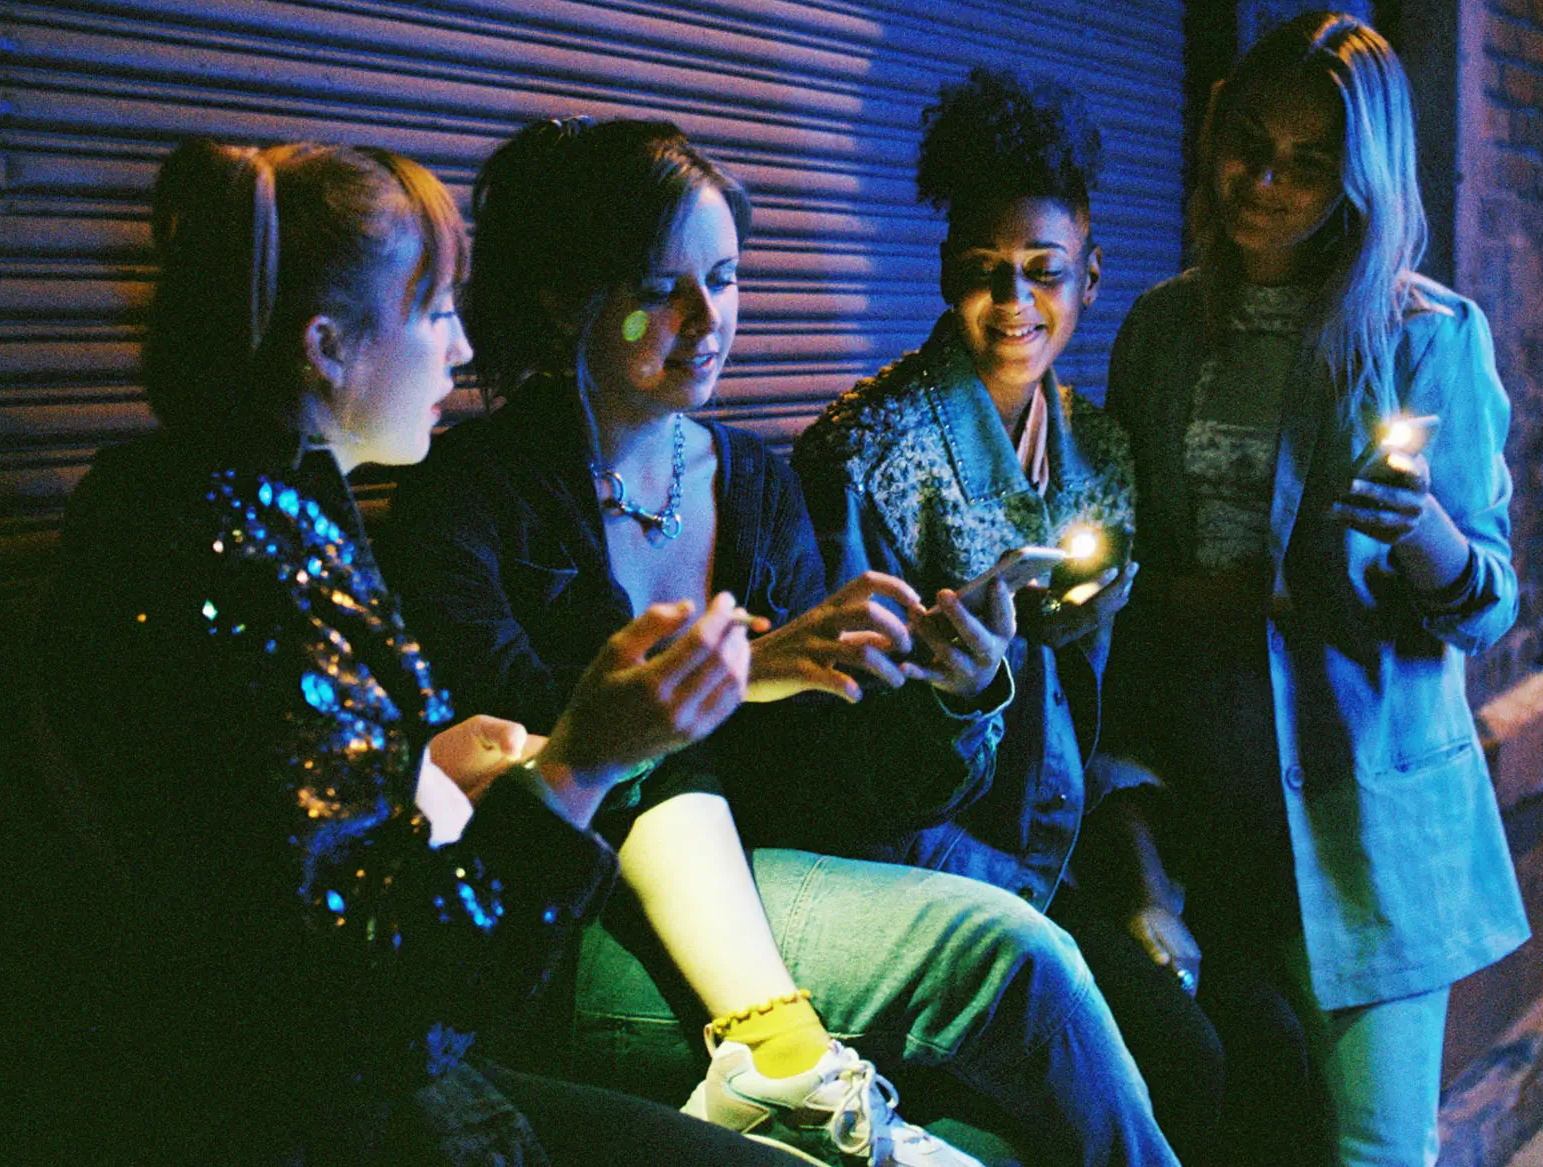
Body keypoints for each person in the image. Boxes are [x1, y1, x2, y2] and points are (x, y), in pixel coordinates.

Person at [0, 140, 794, 1167]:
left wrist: (432, 775)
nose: (460, 352)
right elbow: (383, 1007)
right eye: (436, 311)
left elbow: (277, 854)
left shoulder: (237, 508)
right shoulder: (246, 567)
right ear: (327, 345)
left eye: (724, 281)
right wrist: (585, 757)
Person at [382, 118, 1180, 1167]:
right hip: (568, 920)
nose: (708, 319)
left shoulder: (751, 485)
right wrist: (744, 675)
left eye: (724, 276)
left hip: (762, 877)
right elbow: (519, 737)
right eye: (662, 289)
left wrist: (955, 692)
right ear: (568, 297)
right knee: (1017, 991)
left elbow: (830, 791)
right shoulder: (470, 495)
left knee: (1036, 997)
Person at [787, 68, 1310, 1167]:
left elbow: (1126, 706)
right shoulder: (870, 457)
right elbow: (846, 766)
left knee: (1269, 1038)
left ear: (1092, 275)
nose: (1014, 306)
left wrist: (1149, 885)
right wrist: (986, 670)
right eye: (984, 275)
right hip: (939, 861)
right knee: (1187, 1058)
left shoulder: (1103, 453)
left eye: (1044, 274)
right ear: (944, 273)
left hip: (1079, 847)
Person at [1104, 12, 1529, 1167]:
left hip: (1365, 827)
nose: (1266, 181)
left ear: (1362, 176)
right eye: (1249, 143)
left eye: (1309, 162)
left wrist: (1427, 537)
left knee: (1371, 1149)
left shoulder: (1427, 337)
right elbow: (1130, 599)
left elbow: (1487, 603)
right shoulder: (1156, 331)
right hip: (1207, 807)